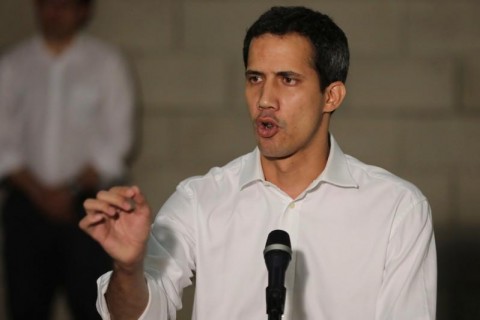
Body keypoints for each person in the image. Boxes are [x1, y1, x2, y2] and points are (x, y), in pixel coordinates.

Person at [80, 6, 436, 320]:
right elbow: (139, 315)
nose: (265, 99)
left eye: (287, 80)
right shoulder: (200, 199)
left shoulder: (396, 210)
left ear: (331, 95)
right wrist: (127, 269)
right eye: (255, 79)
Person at [0, 0, 135, 319]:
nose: (53, 13)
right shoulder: (13, 64)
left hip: (89, 207)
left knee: (91, 305)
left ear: (83, 11)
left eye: (63, 5)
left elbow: (117, 142)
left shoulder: (106, 63)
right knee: (25, 305)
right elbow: (3, 140)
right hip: (26, 206)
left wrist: (71, 190)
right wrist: (39, 193)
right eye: (46, 5)